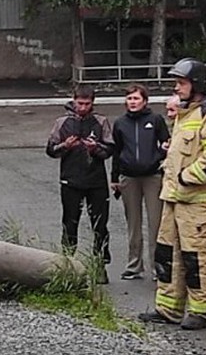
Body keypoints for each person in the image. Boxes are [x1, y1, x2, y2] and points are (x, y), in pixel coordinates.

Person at [138, 58, 206, 330]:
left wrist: (186, 178)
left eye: (181, 83)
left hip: (197, 202)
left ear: (196, 84)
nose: (176, 88)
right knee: (167, 254)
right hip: (174, 198)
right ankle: (168, 308)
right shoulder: (185, 112)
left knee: (196, 257)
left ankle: (201, 312)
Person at [45, 86, 114, 281]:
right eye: (80, 103)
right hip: (71, 180)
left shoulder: (101, 122)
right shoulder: (62, 122)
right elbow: (50, 150)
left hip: (96, 182)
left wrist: (95, 149)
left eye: (87, 104)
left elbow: (109, 149)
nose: (83, 107)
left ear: (92, 103)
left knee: (100, 225)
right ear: (73, 101)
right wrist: (65, 146)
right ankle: (67, 264)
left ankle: (100, 265)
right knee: (69, 223)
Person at [109, 83, 170, 280]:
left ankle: (156, 267)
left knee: (156, 223)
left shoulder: (155, 119)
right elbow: (116, 152)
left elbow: (167, 144)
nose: (132, 102)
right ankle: (134, 265)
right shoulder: (120, 123)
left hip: (152, 176)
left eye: (136, 98)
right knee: (133, 224)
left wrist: (157, 156)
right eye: (129, 99)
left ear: (145, 101)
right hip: (129, 177)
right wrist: (114, 177)